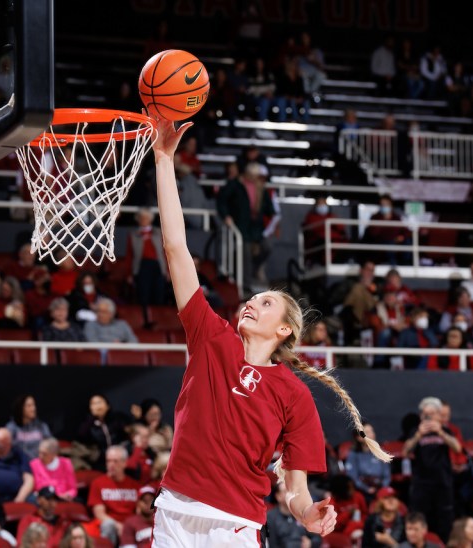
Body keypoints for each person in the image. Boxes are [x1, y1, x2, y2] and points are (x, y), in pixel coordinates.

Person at [147, 113, 390, 545]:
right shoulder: (211, 337)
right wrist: (164, 159)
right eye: (251, 299)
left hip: (235, 524)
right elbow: (176, 249)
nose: (250, 305)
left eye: (265, 303)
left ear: (283, 331)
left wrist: (308, 513)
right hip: (175, 513)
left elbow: (295, 490)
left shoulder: (294, 395)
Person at [402, 397, 460, 542]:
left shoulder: (445, 430)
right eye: (425, 414)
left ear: (439, 415)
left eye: (432, 414)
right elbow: (405, 451)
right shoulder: (415, 431)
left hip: (442, 483)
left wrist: (441, 433)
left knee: (444, 521)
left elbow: (457, 448)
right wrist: (418, 435)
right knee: (419, 519)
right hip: (422, 484)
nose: (428, 417)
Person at [216, 161, 277, 291]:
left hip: (256, 228)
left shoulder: (260, 187)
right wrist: (226, 215)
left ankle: (254, 271)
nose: (254, 178)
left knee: (267, 247)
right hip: (241, 226)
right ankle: (246, 285)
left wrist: (269, 211)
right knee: (245, 252)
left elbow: (268, 208)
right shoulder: (235, 185)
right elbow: (222, 201)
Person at [87, 446, 141, 546]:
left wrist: (127, 527)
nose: (111, 465)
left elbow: (139, 512)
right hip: (110, 525)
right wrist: (118, 526)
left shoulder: (135, 486)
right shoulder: (98, 483)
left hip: (130, 526)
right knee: (108, 525)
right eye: (108, 461)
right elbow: (99, 514)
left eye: (115, 461)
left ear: (125, 463)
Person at [76, 395, 131, 471]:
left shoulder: (117, 418)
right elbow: (82, 437)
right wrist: (92, 417)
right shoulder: (88, 424)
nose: (97, 406)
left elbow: (128, 433)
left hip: (121, 454)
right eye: (93, 403)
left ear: (107, 405)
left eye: (99, 402)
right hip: (102, 460)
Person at [125, 208, 168, 307]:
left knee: (159, 294)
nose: (144, 220)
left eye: (146, 218)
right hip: (142, 266)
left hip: (158, 266)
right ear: (138, 219)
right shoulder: (133, 234)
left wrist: (167, 271)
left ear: (150, 219)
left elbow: (165, 252)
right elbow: (130, 255)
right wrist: (129, 273)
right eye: (142, 218)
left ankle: (158, 319)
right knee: (143, 295)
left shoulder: (158, 232)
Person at [0, 428, 34, 503]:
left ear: (8, 444)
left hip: (16, 497)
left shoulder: (19, 455)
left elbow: (29, 479)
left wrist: (19, 499)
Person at [266, 482, 321, 548]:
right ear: (278, 496)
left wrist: (310, 543)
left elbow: (317, 538)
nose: (290, 494)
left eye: (291, 490)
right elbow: (272, 544)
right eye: (285, 491)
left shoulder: (302, 513)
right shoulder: (271, 517)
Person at [345, 422, 391, 502]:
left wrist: (382, 489)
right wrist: (366, 489)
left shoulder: (381, 452)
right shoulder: (354, 455)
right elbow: (352, 477)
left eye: (372, 431)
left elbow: (387, 475)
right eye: (367, 432)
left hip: (380, 490)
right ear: (358, 437)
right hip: (362, 491)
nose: (371, 434)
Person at [5, 395, 51, 461]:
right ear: (21, 408)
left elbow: (50, 445)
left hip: (39, 464)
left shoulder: (42, 426)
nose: (33, 409)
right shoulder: (12, 427)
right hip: (19, 465)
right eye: (29, 406)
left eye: (34, 405)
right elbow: (7, 450)